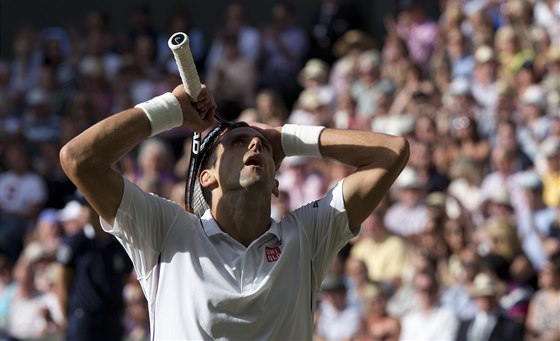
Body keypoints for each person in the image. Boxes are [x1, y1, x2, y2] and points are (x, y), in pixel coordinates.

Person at [58, 79, 409, 339]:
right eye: (238, 141)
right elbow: (78, 159)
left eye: (264, 147)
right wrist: (170, 110)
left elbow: (392, 152)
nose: (255, 142)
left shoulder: (307, 235)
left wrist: (285, 137)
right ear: (206, 177)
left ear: (275, 183)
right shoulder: (164, 230)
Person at [54, 197, 133, 341]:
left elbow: (125, 277)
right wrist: (67, 318)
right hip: (83, 320)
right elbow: (62, 283)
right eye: (82, 208)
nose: (83, 213)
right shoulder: (75, 243)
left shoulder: (118, 244)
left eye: (87, 207)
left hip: (111, 319)